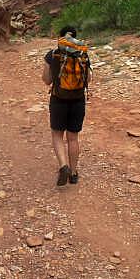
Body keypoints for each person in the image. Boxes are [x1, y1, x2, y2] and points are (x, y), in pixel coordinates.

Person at [42, 26, 91, 186]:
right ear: (76, 37)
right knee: (73, 138)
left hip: (58, 99)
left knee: (57, 135)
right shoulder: (82, 54)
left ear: (61, 37)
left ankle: (63, 166)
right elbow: (88, 79)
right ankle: (74, 172)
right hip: (77, 100)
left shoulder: (52, 54)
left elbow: (47, 80)